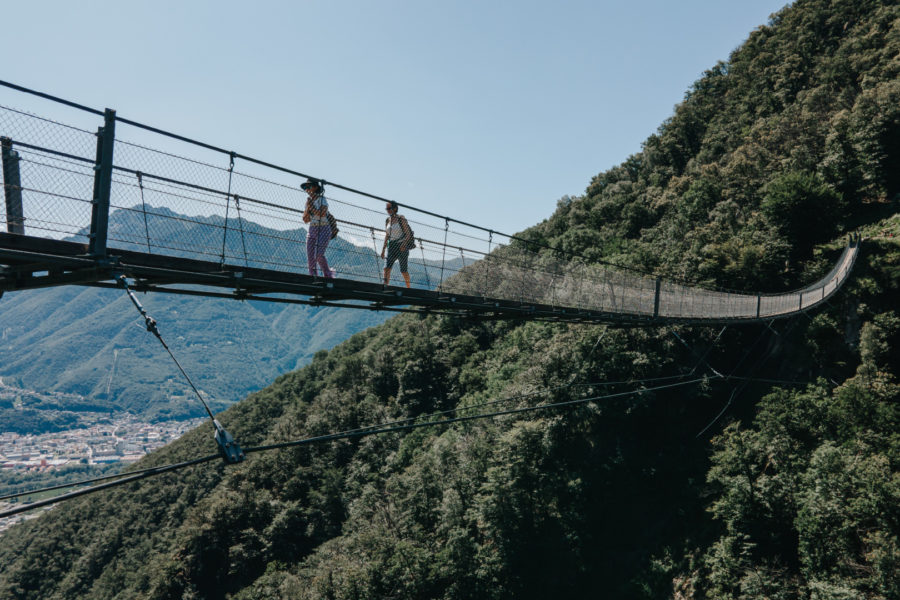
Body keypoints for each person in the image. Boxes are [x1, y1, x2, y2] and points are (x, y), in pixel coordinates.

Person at [301, 178, 334, 278]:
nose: (307, 189)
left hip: (324, 228)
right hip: (312, 229)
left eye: (309, 187)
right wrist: (308, 209)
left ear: (315, 187)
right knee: (310, 256)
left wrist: (311, 207)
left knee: (319, 255)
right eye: (306, 188)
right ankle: (313, 276)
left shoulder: (322, 199)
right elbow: (306, 220)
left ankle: (327, 274)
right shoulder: (308, 202)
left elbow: (322, 214)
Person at [381, 201, 412, 288]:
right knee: (386, 268)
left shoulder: (401, 219)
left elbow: (408, 234)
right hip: (391, 246)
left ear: (395, 208)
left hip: (401, 246)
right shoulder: (388, 220)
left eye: (389, 208)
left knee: (403, 271)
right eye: (386, 209)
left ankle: (408, 288)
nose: (388, 210)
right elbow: (387, 235)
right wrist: (383, 249)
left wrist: (404, 244)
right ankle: (385, 287)